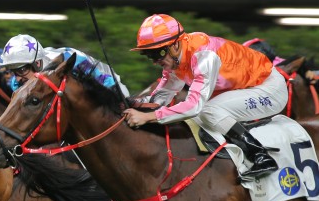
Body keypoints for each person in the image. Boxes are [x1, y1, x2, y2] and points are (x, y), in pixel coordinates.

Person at [123, 14, 288, 179]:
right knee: (202, 114)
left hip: (269, 88)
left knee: (207, 111)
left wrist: (148, 117)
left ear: (175, 45)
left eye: (157, 53)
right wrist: (134, 105)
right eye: (149, 55)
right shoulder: (175, 60)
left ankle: (260, 157)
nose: (154, 61)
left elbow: (194, 106)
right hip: (246, 87)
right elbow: (160, 98)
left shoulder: (204, 56)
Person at [0, 33, 130, 96]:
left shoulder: (70, 60)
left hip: (110, 85)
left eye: (21, 70)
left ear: (37, 63)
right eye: (13, 71)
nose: (17, 78)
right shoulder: (17, 84)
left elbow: (108, 84)